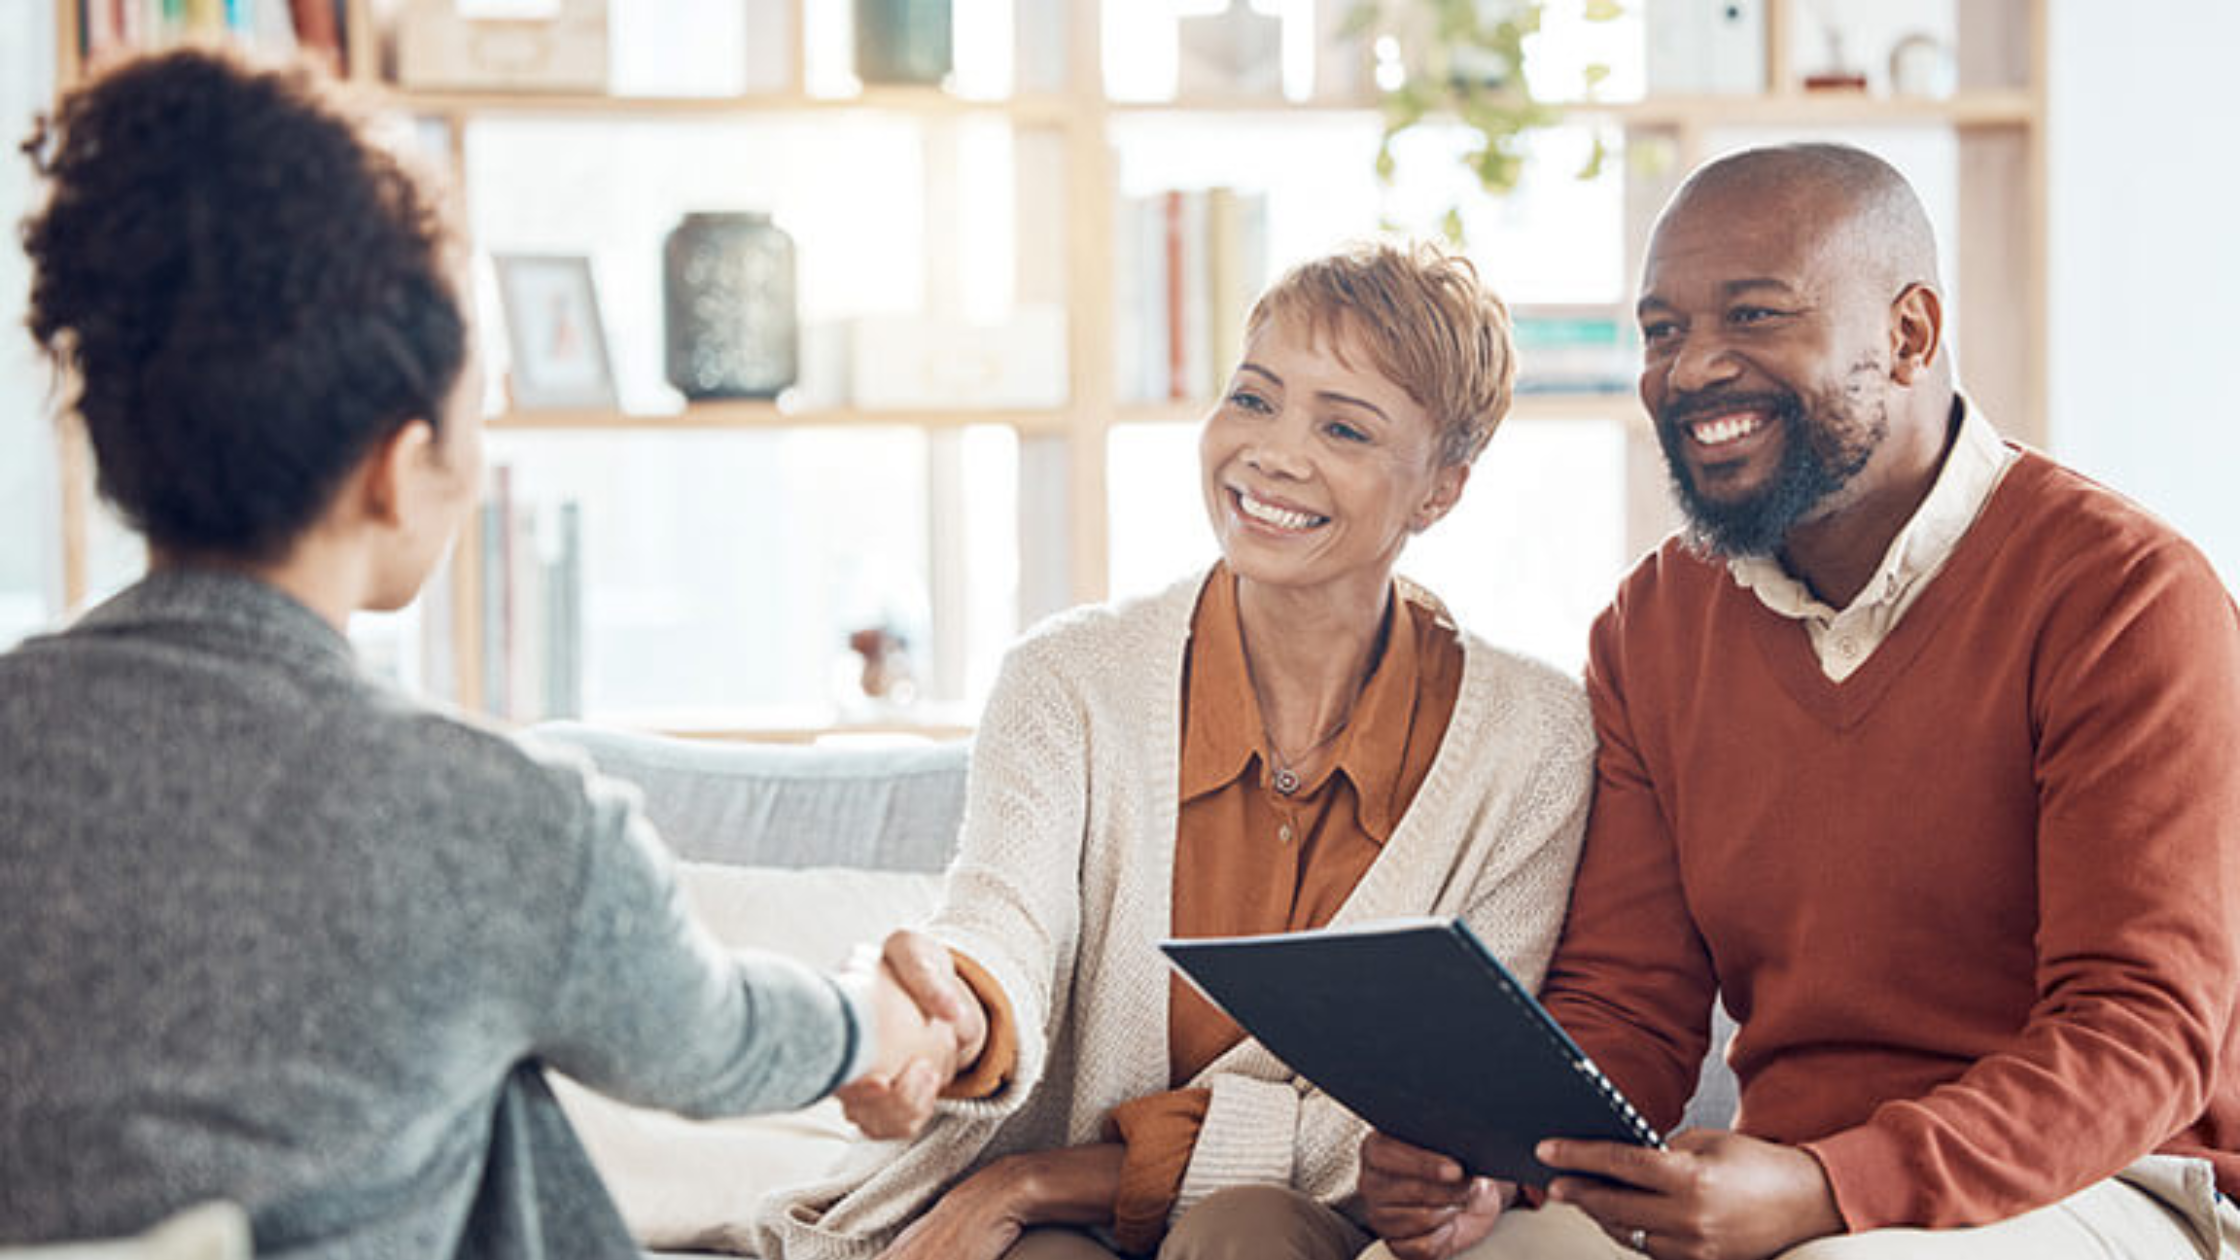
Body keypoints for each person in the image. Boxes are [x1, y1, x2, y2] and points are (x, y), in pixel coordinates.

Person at [0, 48, 967, 1255]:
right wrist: (876, 1024)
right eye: (478, 419)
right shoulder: (493, 820)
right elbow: (712, 1040)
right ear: (398, 473)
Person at [1355, 142, 2240, 1260]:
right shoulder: (1653, 624)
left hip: (2117, 1182)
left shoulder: (2123, 595)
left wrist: (1828, 1188)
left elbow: (2137, 1036)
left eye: (1753, 317)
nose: (1689, 370)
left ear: (1907, 336)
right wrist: (1493, 1161)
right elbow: (1628, 1006)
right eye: (1661, 331)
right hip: (1783, 1189)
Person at [752, 241, 1596, 1260]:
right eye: (1252, 399)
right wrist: (945, 1021)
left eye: (1341, 426)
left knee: (1240, 1231)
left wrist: (1044, 1176)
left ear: (1440, 489)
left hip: (1288, 1226)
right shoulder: (1064, 679)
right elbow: (1000, 923)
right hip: (1045, 1223)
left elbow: (1417, 1113)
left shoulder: (1532, 741)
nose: (1272, 454)